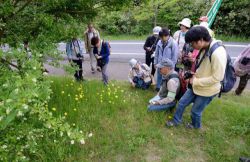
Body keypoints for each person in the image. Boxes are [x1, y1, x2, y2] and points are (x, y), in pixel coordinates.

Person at [166, 26, 227, 129]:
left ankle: (196, 127)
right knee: (182, 103)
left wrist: (196, 81)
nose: (192, 46)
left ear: (201, 40)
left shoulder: (218, 53)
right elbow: (204, 65)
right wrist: (193, 66)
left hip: (208, 90)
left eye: (192, 43)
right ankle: (176, 121)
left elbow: (218, 77)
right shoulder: (204, 47)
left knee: (195, 111)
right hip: (195, 85)